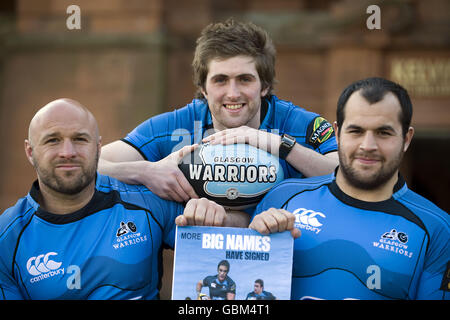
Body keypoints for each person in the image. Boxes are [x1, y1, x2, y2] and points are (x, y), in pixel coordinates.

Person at [98, 19, 339, 221]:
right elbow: (93, 164)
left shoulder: (304, 126)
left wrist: (277, 145)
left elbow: (346, 173)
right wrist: (147, 171)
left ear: (264, 85)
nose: (233, 93)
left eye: (244, 79)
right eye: (220, 80)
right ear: (203, 88)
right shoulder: (172, 127)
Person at [0, 99, 227, 300]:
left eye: (80, 139)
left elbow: (230, 248)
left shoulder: (147, 203)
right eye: (52, 140)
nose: (67, 151)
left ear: (98, 148)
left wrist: (213, 215)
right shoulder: (6, 238)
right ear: (30, 151)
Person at [249, 77, 449, 300]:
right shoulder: (283, 197)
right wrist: (255, 241)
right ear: (337, 133)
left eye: (384, 133)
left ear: (406, 138)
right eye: (356, 131)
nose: (368, 146)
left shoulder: (437, 229)